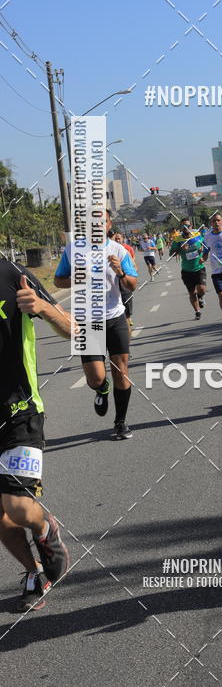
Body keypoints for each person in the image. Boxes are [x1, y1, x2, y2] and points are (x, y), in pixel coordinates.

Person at [0, 261, 74, 611]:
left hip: (20, 410)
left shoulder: (12, 274)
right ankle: (35, 573)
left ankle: (45, 526)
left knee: (16, 506)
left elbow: (76, 330)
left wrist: (43, 307)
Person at [54, 209, 138, 440]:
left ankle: (120, 422)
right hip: (86, 322)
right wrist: (74, 278)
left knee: (121, 372)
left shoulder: (118, 250)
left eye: (103, 222)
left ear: (109, 224)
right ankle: (102, 389)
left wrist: (120, 272)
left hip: (114, 317)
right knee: (96, 378)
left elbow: (132, 285)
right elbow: (57, 281)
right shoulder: (73, 250)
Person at [170, 218, 207, 320]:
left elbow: (206, 246)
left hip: (199, 268)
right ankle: (197, 311)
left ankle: (200, 297)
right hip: (186, 270)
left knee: (202, 289)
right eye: (183, 226)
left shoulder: (198, 235)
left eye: (188, 226)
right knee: (191, 292)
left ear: (191, 226)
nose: (186, 228)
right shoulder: (177, 240)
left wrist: (203, 254)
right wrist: (180, 249)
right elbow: (171, 254)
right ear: (181, 228)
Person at [112, 232, 137, 331]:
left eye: (119, 238)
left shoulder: (126, 250)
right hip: (112, 288)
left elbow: (134, 266)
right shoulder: (109, 250)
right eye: (115, 239)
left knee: (125, 316)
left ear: (123, 239)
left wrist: (123, 271)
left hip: (124, 286)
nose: (117, 240)